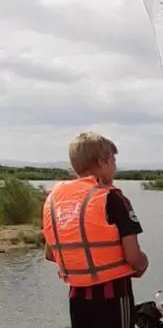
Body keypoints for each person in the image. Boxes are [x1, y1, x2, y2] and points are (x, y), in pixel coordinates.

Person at [42, 132, 148, 328]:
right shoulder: (112, 198)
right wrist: (143, 264)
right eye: (113, 161)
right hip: (113, 297)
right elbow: (133, 257)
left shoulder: (55, 200)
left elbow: (50, 254)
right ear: (102, 162)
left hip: (77, 298)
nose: (115, 166)